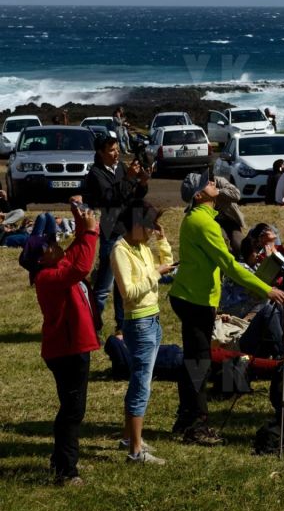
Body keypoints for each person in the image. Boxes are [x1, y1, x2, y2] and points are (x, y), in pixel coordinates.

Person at [169, 170, 284, 443]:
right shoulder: (204, 223)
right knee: (199, 363)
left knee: (194, 361)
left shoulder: (202, 218)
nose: (214, 184)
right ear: (199, 195)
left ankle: (186, 418)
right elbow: (230, 265)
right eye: (208, 183)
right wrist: (266, 289)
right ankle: (196, 427)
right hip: (194, 300)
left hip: (193, 298)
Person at [19, 200, 99, 486]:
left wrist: (81, 219)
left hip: (70, 348)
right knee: (72, 410)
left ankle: (59, 460)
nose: (57, 245)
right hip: (67, 351)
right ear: (42, 258)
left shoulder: (56, 263)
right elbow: (80, 266)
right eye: (51, 245)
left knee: (70, 407)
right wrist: (89, 234)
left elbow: (77, 249)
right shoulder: (48, 278)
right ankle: (66, 470)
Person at [110, 201, 173, 464]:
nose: (151, 231)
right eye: (148, 226)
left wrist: (163, 240)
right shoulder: (120, 250)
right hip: (138, 322)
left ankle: (129, 436)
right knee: (141, 385)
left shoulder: (142, 247)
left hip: (152, 321)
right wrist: (155, 274)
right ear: (135, 225)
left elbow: (167, 266)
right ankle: (135, 451)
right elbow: (129, 291)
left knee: (140, 380)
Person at [83, 134, 149, 336]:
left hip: (128, 226)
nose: (116, 153)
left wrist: (142, 183)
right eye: (111, 150)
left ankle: (122, 325)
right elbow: (110, 198)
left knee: (125, 282)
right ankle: (92, 327)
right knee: (104, 285)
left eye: (117, 148)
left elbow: (131, 195)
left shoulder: (120, 168)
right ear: (101, 153)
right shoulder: (95, 174)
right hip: (112, 228)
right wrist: (128, 178)